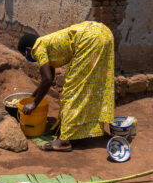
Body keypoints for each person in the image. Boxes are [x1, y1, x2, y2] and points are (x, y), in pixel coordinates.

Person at [17, 21, 115, 151]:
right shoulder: (46, 43)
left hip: (91, 39)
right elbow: (49, 79)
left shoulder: (37, 48)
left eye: (26, 55)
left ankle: (65, 142)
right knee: (90, 87)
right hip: (103, 33)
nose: (28, 58)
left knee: (72, 91)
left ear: (28, 50)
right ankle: (84, 129)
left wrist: (34, 103)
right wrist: (32, 97)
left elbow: (46, 80)